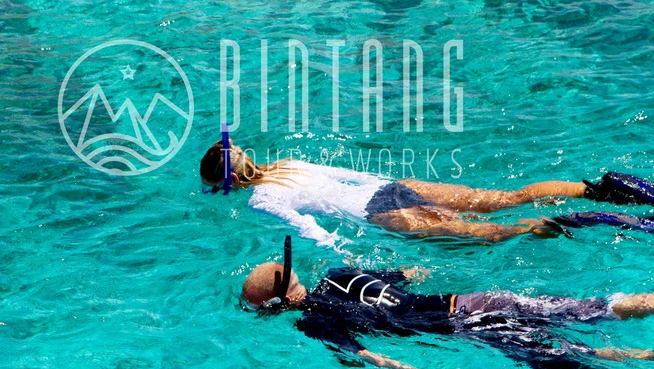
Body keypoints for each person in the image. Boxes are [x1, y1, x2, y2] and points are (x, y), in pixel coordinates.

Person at [241, 243, 654, 369]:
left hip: (467, 327)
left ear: (278, 305)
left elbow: (369, 358)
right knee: (589, 309)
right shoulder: (338, 273)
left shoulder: (313, 321)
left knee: (567, 358)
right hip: (474, 300)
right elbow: (411, 273)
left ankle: (643, 357)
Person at [200, 137, 654, 248]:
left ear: (228, 185)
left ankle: (577, 222)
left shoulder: (261, 199)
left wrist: (333, 246)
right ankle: (600, 191)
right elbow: (351, 173)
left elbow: (304, 224)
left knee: (485, 234)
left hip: (376, 213)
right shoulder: (289, 163)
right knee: (506, 197)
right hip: (395, 187)